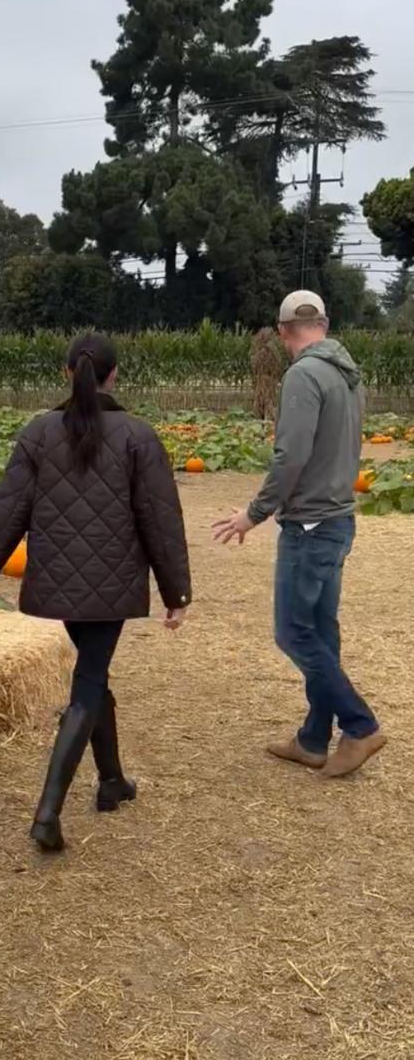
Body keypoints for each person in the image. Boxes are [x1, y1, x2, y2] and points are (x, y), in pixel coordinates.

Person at [0, 333, 191, 852]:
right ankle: (47, 812)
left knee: (93, 673)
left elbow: (6, 513)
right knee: (88, 683)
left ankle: (111, 781)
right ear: (114, 376)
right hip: (112, 585)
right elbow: (161, 520)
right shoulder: (138, 435)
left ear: (67, 374)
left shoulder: (39, 433)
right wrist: (176, 591)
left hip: (59, 584)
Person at [213, 290, 385, 776]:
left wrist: (255, 512)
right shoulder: (349, 375)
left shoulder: (304, 374)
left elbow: (291, 456)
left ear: (286, 331)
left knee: (292, 632)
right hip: (338, 519)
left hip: (309, 525)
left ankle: (360, 726)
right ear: (324, 324)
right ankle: (313, 740)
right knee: (321, 633)